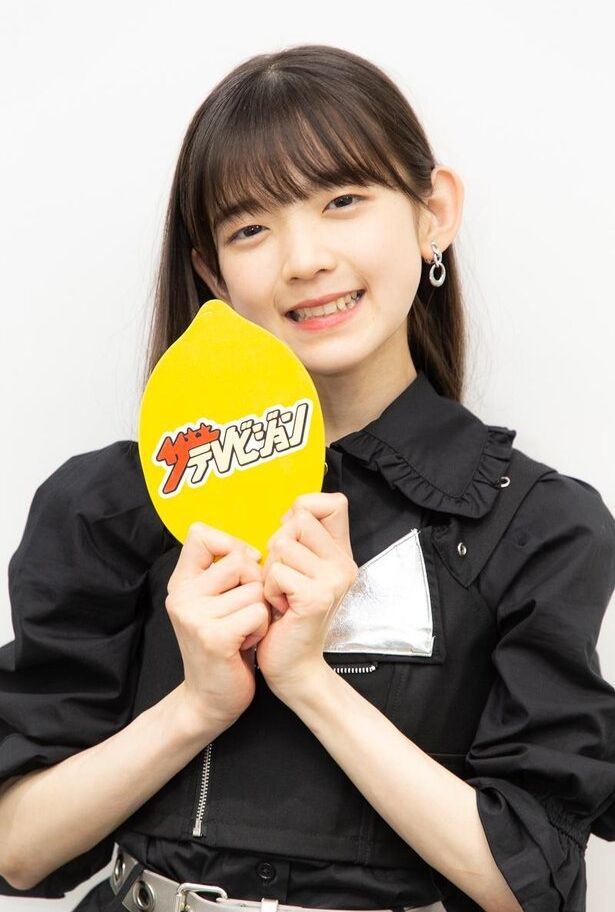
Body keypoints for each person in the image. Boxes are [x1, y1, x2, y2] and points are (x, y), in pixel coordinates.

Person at [1, 43, 614, 912]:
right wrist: (196, 705)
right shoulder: (110, 505)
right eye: (249, 229)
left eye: (342, 201)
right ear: (212, 272)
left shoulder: (534, 523)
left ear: (433, 213)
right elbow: (19, 850)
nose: (304, 259)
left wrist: (307, 680)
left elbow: (532, 881)